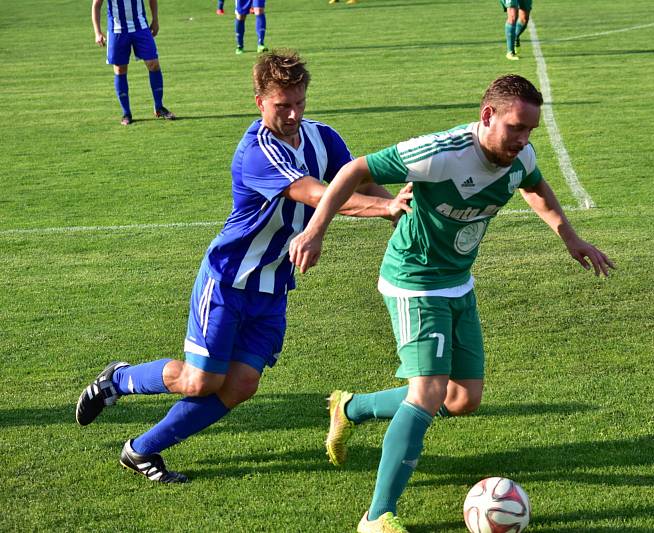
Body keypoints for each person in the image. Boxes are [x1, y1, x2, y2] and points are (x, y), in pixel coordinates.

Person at [288, 74, 614, 532]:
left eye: (529, 131)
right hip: (414, 282)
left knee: (462, 398)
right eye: (515, 128)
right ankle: (376, 516)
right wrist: (315, 231)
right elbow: (355, 170)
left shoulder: (520, 157)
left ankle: (351, 407)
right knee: (426, 392)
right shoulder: (440, 153)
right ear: (488, 116)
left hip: (458, 283)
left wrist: (571, 238)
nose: (522, 140)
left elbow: (534, 185)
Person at [75, 50, 412, 483]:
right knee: (200, 382)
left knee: (240, 385)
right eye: (281, 106)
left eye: (299, 103)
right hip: (228, 281)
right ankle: (118, 379)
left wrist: (398, 208)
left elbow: (358, 181)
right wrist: (385, 209)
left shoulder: (322, 138)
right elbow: (313, 193)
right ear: (259, 102)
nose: (292, 114)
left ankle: (141, 450)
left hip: (273, 287)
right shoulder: (257, 151)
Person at [91, 0, 176, 125]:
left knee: (153, 64)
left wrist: (155, 19)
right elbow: (96, 5)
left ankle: (159, 107)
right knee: (120, 69)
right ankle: (126, 113)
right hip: (117, 30)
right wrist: (97, 32)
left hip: (140, 27)